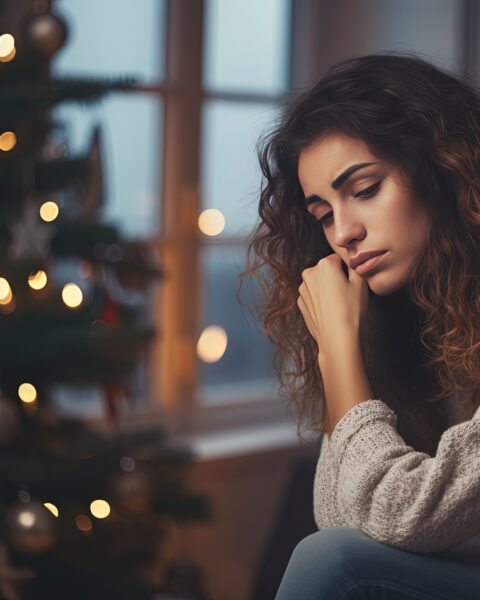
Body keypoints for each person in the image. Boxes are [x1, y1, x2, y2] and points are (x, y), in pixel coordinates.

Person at [237, 51, 480, 598]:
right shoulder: (414, 316)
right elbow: (339, 510)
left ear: (442, 169)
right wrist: (348, 345)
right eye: (322, 214)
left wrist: (338, 349)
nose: (343, 232)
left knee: (336, 565)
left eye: (365, 190)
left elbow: (404, 516)